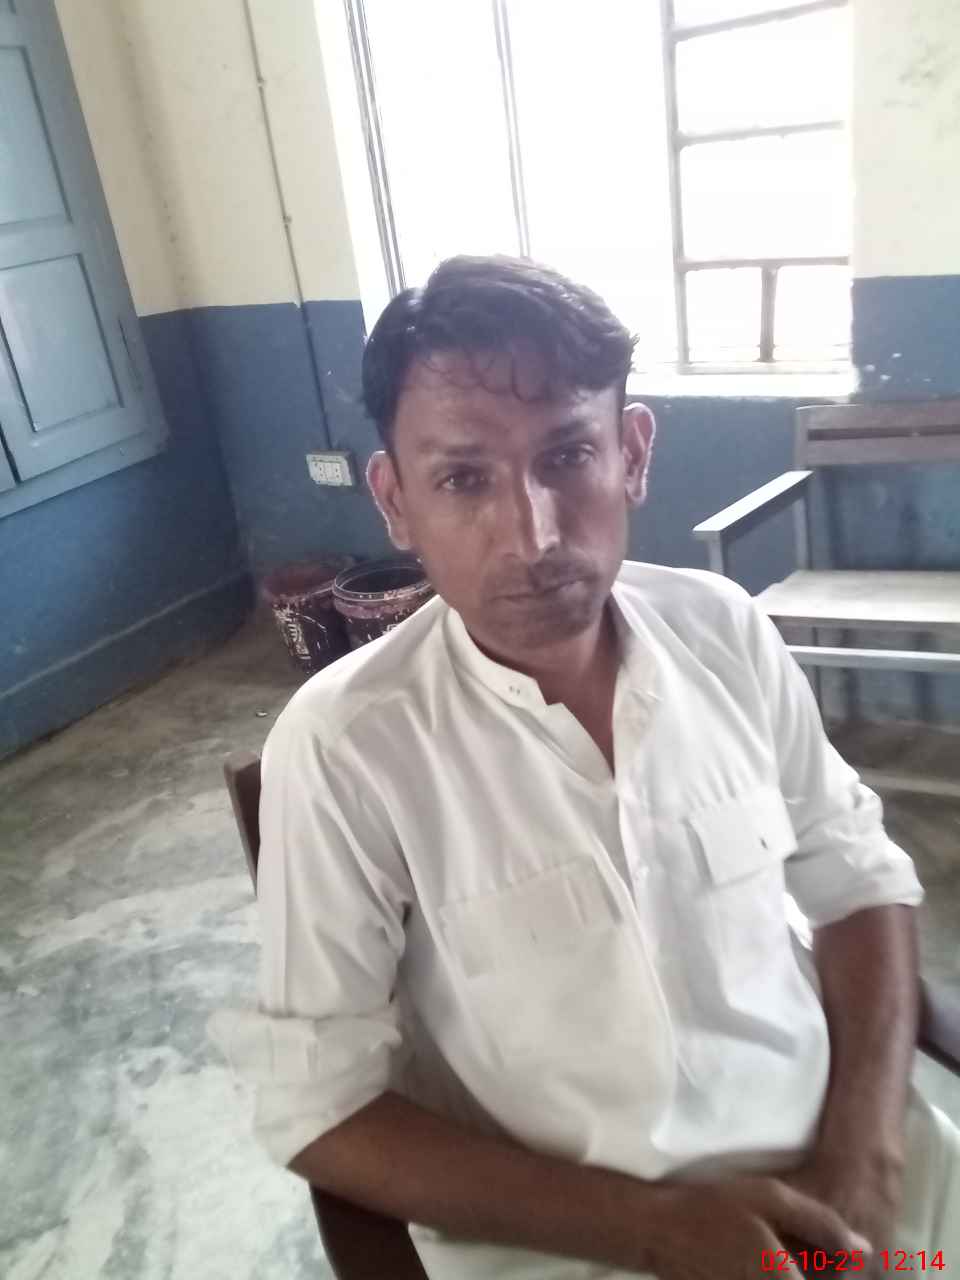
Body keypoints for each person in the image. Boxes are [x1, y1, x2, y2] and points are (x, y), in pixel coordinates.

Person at [212, 256, 959, 1279]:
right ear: (394, 500)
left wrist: (863, 1160)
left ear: (633, 452)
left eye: (568, 454)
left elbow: (855, 873)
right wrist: (659, 1229)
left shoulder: (724, 632)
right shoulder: (348, 748)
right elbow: (317, 1102)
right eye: (463, 478)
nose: (534, 534)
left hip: (850, 1186)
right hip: (577, 1241)